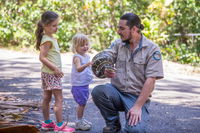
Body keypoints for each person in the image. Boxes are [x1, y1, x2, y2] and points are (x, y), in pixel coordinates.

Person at [91, 13, 164, 133]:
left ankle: (132, 119)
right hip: (117, 93)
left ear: (134, 29)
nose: (118, 31)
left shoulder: (152, 49)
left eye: (122, 28)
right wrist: (105, 69)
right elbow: (107, 56)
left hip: (136, 98)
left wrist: (137, 107)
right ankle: (113, 124)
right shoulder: (117, 44)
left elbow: (151, 80)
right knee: (98, 91)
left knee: (136, 130)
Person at [35, 11, 75, 133]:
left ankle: (47, 123)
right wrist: (55, 69)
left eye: (57, 25)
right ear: (45, 25)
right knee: (59, 99)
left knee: (47, 98)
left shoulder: (49, 38)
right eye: (54, 25)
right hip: (52, 74)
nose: (56, 27)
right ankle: (60, 125)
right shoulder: (47, 40)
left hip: (47, 73)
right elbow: (42, 57)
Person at [70, 33, 93, 130]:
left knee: (83, 102)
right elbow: (79, 68)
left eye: (86, 44)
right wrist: (87, 65)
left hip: (84, 84)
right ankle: (79, 121)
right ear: (76, 47)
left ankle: (81, 119)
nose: (85, 47)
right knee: (82, 103)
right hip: (78, 85)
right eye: (82, 45)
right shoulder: (77, 57)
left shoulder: (86, 56)